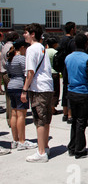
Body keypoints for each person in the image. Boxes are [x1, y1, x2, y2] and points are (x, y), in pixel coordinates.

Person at [21, 23, 54, 163]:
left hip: (38, 88)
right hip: (47, 86)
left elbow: (30, 72)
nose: (24, 35)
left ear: (33, 34)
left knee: (39, 119)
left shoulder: (31, 49)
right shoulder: (42, 47)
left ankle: (41, 152)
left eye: (26, 32)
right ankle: (45, 146)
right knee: (46, 119)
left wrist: (24, 90)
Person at [64, 33, 88, 159]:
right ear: (86, 44)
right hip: (84, 93)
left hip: (71, 92)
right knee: (81, 122)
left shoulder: (68, 58)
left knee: (74, 121)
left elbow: (66, 77)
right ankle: (80, 150)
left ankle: (72, 147)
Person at [6, 38, 37, 151]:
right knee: (21, 115)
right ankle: (22, 141)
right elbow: (27, 72)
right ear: (22, 48)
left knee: (13, 113)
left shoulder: (10, 58)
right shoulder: (21, 58)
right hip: (20, 86)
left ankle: (15, 140)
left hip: (11, 86)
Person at [1, 31, 20, 127]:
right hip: (10, 74)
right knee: (12, 99)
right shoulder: (11, 47)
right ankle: (12, 119)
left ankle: (10, 118)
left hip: (4, 73)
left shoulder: (4, 46)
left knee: (9, 97)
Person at [59, 22, 77, 124]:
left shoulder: (62, 40)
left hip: (64, 68)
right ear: (71, 30)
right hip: (70, 68)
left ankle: (65, 113)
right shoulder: (71, 41)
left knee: (65, 90)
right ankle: (70, 115)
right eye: (75, 28)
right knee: (70, 90)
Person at [45, 37, 61, 115]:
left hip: (46, 73)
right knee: (55, 90)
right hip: (54, 72)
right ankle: (52, 107)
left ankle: (47, 106)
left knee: (48, 90)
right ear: (54, 44)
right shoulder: (55, 52)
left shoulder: (44, 52)